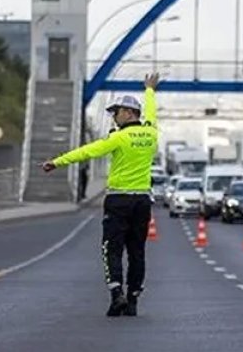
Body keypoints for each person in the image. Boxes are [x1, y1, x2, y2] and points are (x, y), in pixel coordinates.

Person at [42, 73, 160, 317]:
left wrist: (57, 162)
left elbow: (88, 152)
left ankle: (117, 294)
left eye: (116, 112)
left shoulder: (118, 138)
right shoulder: (151, 134)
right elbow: (152, 112)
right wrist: (149, 89)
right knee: (137, 251)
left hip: (118, 201)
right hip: (142, 202)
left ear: (128, 113)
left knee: (112, 248)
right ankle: (134, 298)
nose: (114, 117)